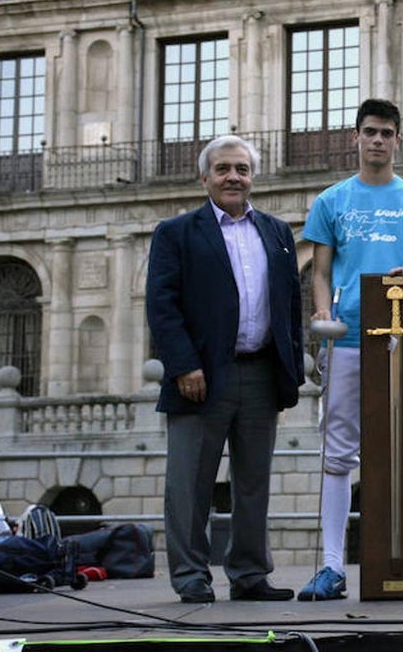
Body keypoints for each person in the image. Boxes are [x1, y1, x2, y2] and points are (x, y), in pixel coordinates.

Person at [146, 135, 305, 604]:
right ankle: (192, 576)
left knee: (253, 481)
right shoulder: (176, 232)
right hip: (201, 378)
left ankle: (250, 574)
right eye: (223, 169)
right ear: (205, 177)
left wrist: (289, 371)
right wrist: (183, 365)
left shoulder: (276, 232)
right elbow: (162, 306)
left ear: (253, 176)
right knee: (190, 483)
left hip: (260, 374)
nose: (233, 176)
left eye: (241, 168)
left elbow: (289, 303)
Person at [298, 98, 403, 601]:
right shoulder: (332, 200)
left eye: (386, 132)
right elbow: (320, 272)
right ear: (355, 138)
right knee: (338, 454)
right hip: (349, 339)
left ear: (398, 140)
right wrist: (323, 315)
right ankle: (333, 567)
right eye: (369, 132)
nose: (377, 140)